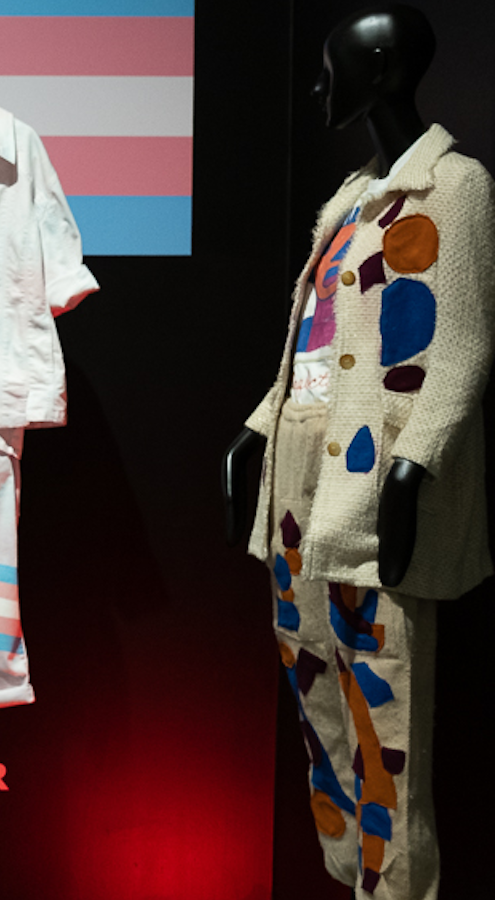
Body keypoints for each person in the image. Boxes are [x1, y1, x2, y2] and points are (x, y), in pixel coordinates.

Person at [225, 7, 491, 899]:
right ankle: (347, 876)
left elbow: (462, 348)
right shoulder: (349, 198)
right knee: (318, 704)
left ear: (378, 69)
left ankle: (398, 890)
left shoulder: (455, 187)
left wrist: (417, 465)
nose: (317, 87)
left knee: (386, 713)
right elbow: (309, 341)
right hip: (300, 479)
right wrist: (257, 433)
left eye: (331, 68)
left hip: (375, 481)